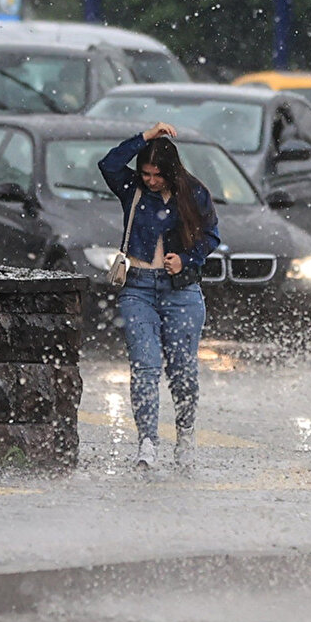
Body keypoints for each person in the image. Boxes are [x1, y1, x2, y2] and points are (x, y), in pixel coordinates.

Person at [98, 122, 220, 470]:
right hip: (137, 289)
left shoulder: (193, 193)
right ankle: (147, 442)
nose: (150, 180)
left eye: (156, 174)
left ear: (170, 171)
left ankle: (185, 435)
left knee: (182, 372)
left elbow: (212, 235)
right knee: (144, 368)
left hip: (181, 292)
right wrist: (145, 138)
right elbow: (108, 164)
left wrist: (187, 258)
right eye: (146, 173)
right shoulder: (132, 189)